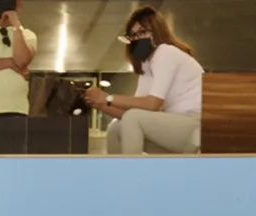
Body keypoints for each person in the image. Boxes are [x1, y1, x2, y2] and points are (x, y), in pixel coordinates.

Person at [85, 6, 203, 156]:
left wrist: (107, 98)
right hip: (177, 128)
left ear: (157, 32)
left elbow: (153, 104)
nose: (137, 39)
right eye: (133, 36)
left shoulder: (166, 52)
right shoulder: (147, 66)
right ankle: (118, 171)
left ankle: (134, 169)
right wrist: (100, 104)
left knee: (132, 118)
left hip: (197, 127)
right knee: (116, 127)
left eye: (142, 32)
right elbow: (131, 113)